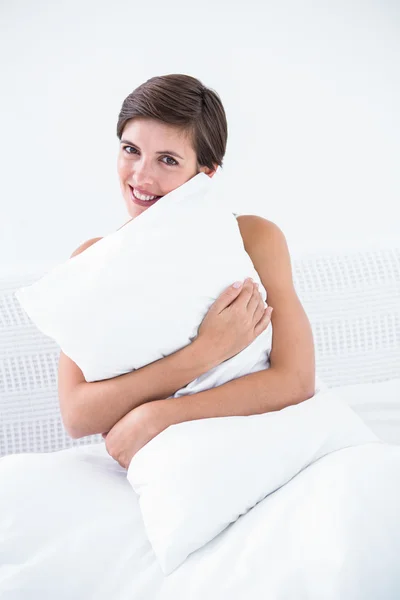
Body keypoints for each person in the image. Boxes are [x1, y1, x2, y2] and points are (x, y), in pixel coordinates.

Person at [58, 74, 315, 469]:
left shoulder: (254, 238)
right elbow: (77, 416)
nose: (141, 176)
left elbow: (296, 380)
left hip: (270, 443)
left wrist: (157, 415)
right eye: (131, 150)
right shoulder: (91, 261)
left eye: (168, 160)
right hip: (174, 466)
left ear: (206, 172)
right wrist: (203, 354)